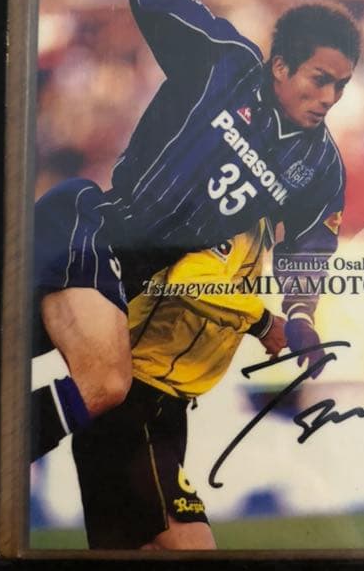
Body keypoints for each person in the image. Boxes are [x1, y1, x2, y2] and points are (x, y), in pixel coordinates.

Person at [30, 0, 361, 466]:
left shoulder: (320, 166)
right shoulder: (224, 63)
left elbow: (310, 247)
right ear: (280, 66)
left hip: (134, 279)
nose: (330, 97)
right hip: (92, 231)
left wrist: (301, 315)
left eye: (341, 86)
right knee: (103, 382)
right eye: (319, 79)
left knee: (32, 366)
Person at [73, 220, 284, 549]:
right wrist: (264, 323)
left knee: (129, 556)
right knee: (194, 552)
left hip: (151, 406)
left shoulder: (253, 232)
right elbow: (188, 279)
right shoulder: (236, 221)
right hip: (136, 403)